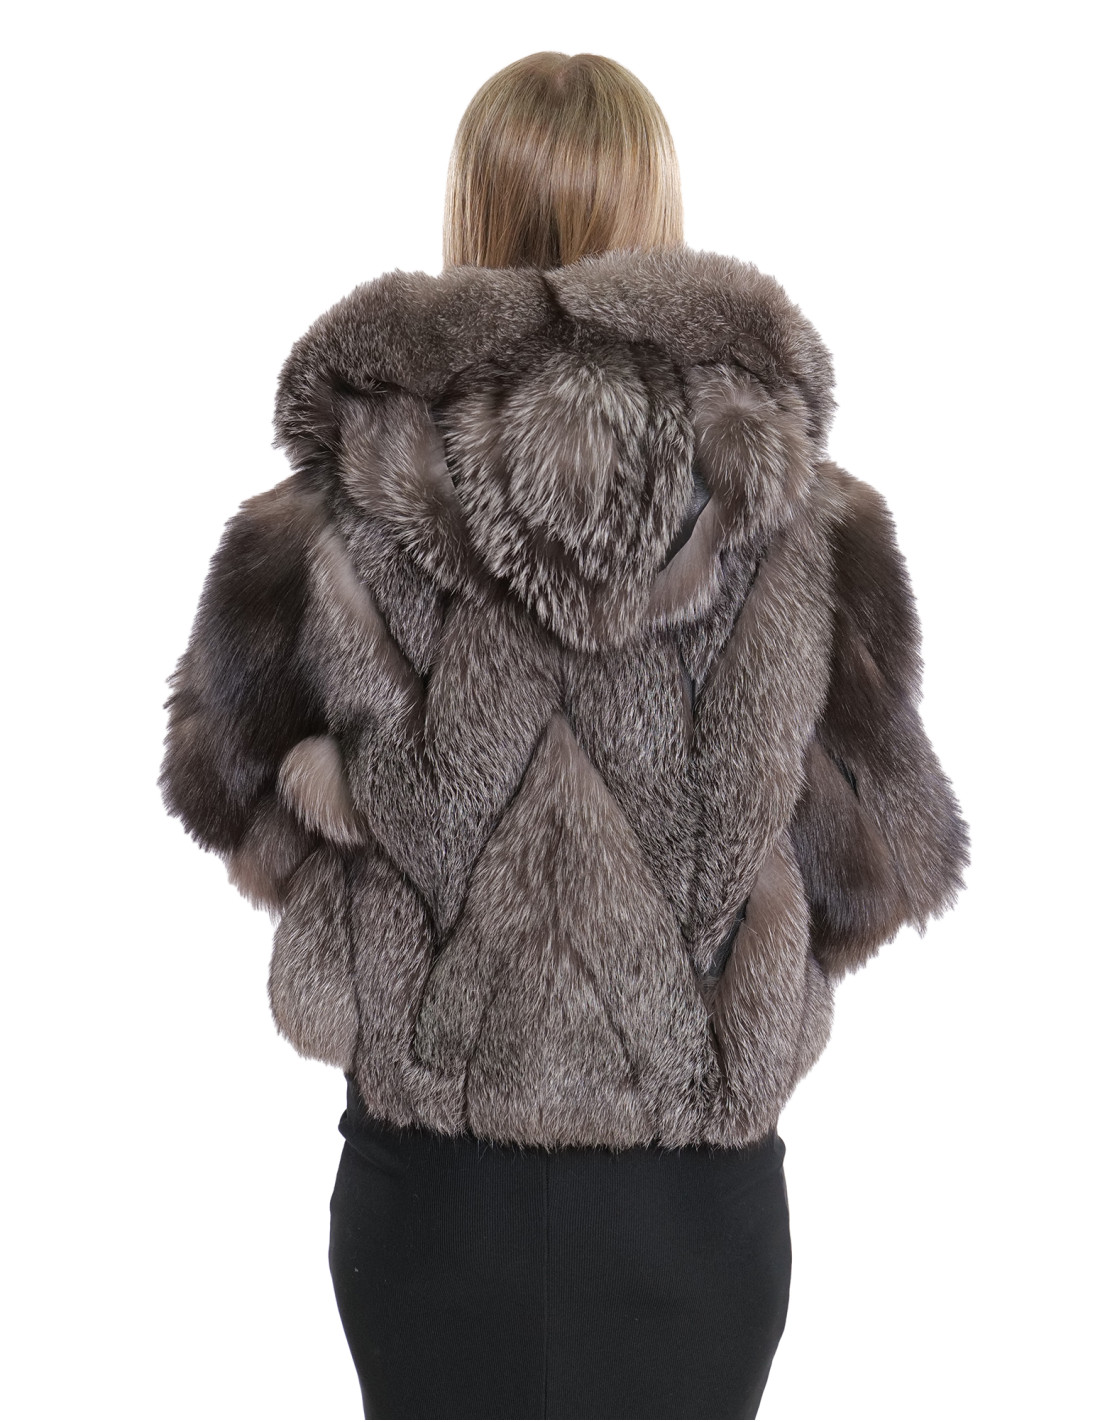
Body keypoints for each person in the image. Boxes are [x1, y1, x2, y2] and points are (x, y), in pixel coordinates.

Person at [158, 50, 969, 1422]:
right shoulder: (801, 514)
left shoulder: (331, 505)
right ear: (660, 208)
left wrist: (381, 826)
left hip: (432, 1200)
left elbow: (218, 785)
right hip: (690, 1210)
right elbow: (887, 860)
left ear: (469, 203)